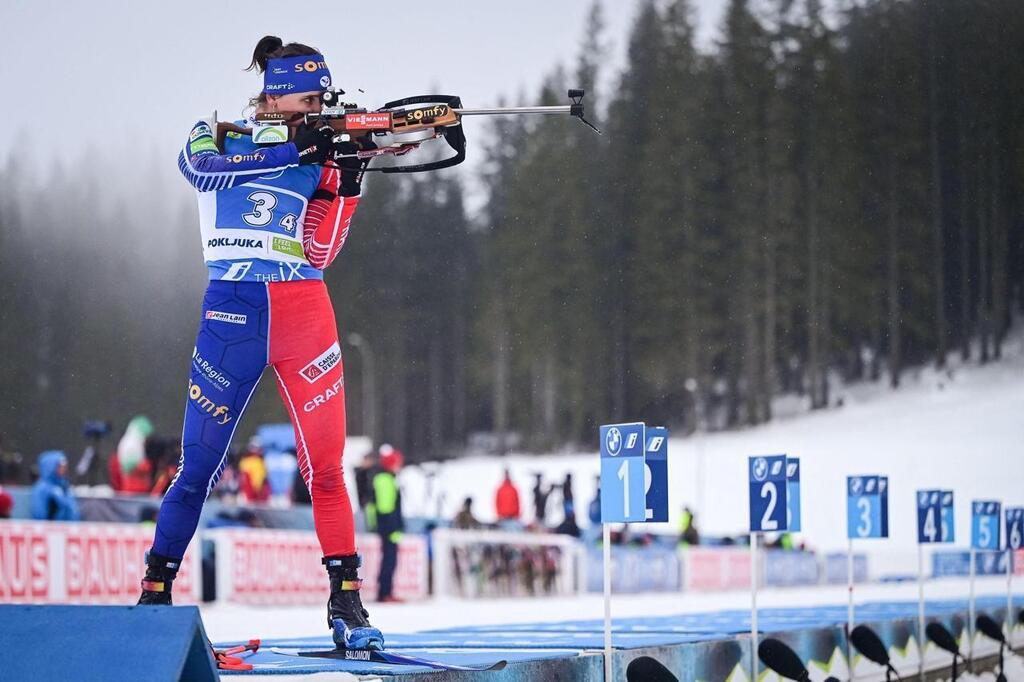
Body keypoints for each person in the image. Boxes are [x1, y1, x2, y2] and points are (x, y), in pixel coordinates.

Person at [138, 35, 383, 651]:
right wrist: (294, 149)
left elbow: (320, 252)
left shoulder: (321, 151)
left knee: (326, 468)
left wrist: (347, 180)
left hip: (304, 313)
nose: (317, 107)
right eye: (308, 96)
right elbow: (202, 173)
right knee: (197, 467)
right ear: (275, 95)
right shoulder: (216, 135)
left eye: (323, 98)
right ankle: (154, 588)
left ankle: (346, 599)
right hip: (232, 315)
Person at [370, 446, 404, 602]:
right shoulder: (385, 479)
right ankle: (385, 592)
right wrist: (394, 528)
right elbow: (386, 507)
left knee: (389, 560)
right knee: (389, 560)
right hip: (388, 527)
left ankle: (385, 591)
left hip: (386, 526)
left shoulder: (384, 478)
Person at [30, 451, 80, 521]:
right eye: (60, 466)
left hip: (67, 529)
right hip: (49, 529)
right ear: (50, 467)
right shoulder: (42, 489)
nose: (63, 469)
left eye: (64, 467)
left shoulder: (65, 486)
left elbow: (74, 511)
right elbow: (39, 513)